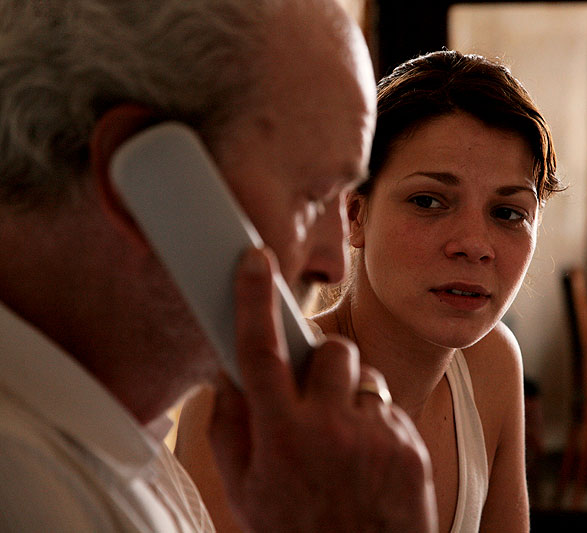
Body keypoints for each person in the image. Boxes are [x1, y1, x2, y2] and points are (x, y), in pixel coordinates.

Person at [0, 1, 437, 531]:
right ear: (146, 177)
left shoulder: (115, 445)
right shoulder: (26, 488)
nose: (333, 265)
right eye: (315, 195)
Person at [176, 50, 560, 532]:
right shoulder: (250, 403)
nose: (474, 245)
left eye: (508, 213)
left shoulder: (492, 365)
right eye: (428, 201)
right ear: (355, 215)